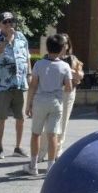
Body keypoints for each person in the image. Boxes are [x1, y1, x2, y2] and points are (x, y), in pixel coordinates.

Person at [23, 34, 73, 176]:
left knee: (36, 133)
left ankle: (33, 166)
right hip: (56, 102)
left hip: (40, 101)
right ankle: (50, 167)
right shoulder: (65, 66)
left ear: (47, 47)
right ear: (62, 48)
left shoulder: (39, 64)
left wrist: (28, 104)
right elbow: (69, 88)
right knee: (53, 135)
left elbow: (33, 85)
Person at [0, 11, 30, 159]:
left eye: (11, 22)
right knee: (1, 118)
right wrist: (8, 39)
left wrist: (30, 75)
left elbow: (27, 57)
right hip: (3, 85)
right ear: (0, 24)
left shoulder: (21, 37)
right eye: (5, 22)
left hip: (20, 83)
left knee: (20, 118)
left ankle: (18, 147)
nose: (9, 25)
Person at [53, 36, 84, 157]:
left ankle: (58, 149)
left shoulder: (72, 58)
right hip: (53, 92)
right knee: (50, 123)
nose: (63, 46)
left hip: (68, 92)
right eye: (60, 43)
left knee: (63, 121)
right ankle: (44, 149)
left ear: (68, 45)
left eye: (65, 43)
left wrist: (68, 71)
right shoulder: (50, 58)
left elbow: (80, 75)